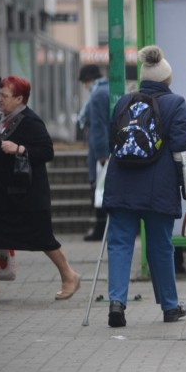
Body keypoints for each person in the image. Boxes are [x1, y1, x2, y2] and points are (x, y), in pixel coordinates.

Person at [102, 45, 186, 328]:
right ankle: (169, 306)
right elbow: (181, 151)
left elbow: (111, 142)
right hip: (159, 186)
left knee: (119, 245)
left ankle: (116, 302)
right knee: (160, 247)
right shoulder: (175, 104)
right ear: (167, 79)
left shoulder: (123, 103)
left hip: (122, 183)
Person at [0, 76, 82, 303]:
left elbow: (47, 151)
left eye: (4, 96)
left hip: (27, 197)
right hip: (3, 196)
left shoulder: (30, 121)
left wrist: (19, 148)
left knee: (43, 239)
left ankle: (69, 275)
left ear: (20, 99)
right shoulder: (3, 120)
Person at [77, 64, 110, 241]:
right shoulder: (108, 90)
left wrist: (100, 155)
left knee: (99, 190)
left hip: (101, 152)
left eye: (84, 82)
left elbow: (98, 127)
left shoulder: (96, 96)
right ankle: (101, 229)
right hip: (110, 148)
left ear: (89, 80)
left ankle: (100, 230)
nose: (84, 86)